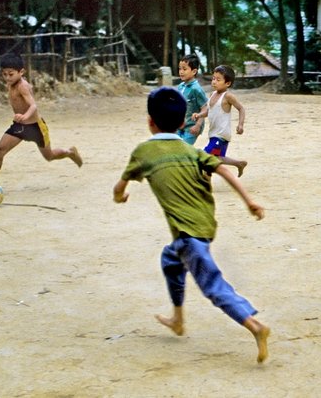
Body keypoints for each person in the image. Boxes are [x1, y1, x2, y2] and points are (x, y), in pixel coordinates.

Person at [112, 87, 270, 363]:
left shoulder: (143, 152)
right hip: (204, 224)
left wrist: (119, 195)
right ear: (183, 122)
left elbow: (119, 186)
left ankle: (255, 326)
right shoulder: (189, 150)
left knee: (213, 286)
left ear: (150, 121)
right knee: (170, 259)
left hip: (189, 234)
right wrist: (249, 202)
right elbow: (222, 168)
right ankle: (178, 319)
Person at [0, 52, 82, 191]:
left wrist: (25, 116)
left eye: (10, 74)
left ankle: (70, 152)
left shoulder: (23, 86)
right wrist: (21, 120)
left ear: (21, 72)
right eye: (4, 74)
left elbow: (33, 105)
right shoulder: (11, 84)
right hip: (20, 127)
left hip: (36, 127)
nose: (7, 78)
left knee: (49, 156)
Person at [192, 65, 248, 177]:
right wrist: (199, 115)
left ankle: (203, 179)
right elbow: (209, 111)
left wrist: (240, 125)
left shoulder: (228, 96)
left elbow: (241, 109)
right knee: (217, 158)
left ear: (227, 83)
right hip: (213, 133)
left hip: (221, 134)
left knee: (205, 156)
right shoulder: (212, 95)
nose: (214, 82)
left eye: (218, 80)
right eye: (213, 78)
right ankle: (238, 164)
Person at [176, 53, 207, 144]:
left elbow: (205, 108)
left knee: (183, 150)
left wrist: (197, 125)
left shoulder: (196, 89)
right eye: (180, 68)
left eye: (184, 69)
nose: (181, 72)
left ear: (194, 71)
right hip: (179, 126)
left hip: (191, 128)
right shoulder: (181, 86)